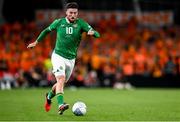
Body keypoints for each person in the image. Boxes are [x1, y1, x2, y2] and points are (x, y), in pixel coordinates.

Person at [27, 2, 100, 115]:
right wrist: (36, 42)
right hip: (58, 56)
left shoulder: (81, 24)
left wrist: (93, 33)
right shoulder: (59, 22)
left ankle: (49, 97)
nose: (73, 15)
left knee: (60, 84)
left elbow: (98, 34)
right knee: (60, 79)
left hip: (71, 59)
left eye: (75, 13)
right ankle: (61, 104)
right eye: (70, 12)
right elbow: (46, 31)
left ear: (77, 13)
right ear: (66, 13)